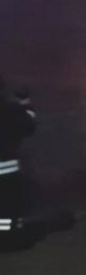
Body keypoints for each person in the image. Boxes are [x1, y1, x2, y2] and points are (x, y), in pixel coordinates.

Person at [0, 78, 36, 248]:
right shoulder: (10, 109)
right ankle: (10, 239)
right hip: (7, 172)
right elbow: (29, 125)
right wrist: (25, 101)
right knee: (10, 208)